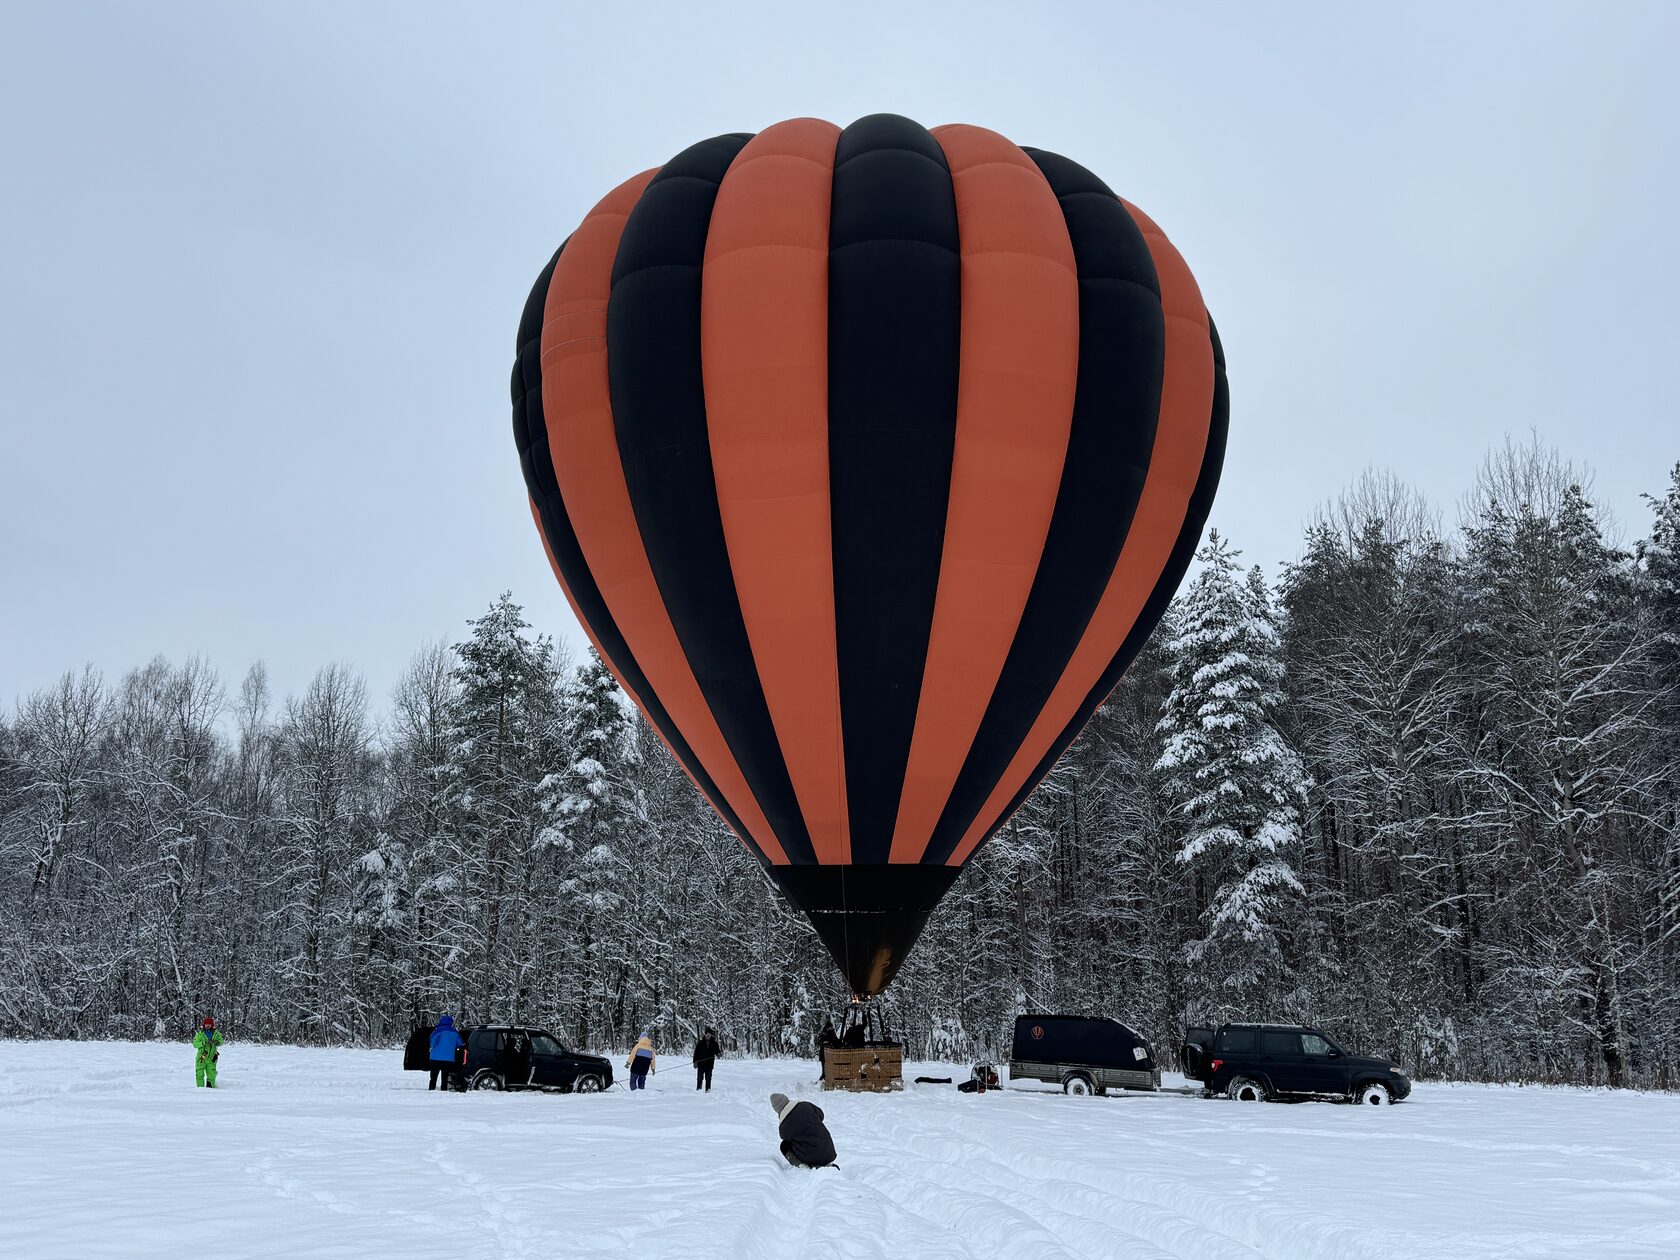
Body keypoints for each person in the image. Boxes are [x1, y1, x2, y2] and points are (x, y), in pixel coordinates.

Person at [770, 1092, 836, 1169]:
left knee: (784, 1145)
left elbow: (784, 1137)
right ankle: (823, 1161)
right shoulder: (806, 1105)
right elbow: (821, 1115)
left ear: (776, 1110)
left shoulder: (784, 1126)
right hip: (829, 1151)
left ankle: (800, 1164)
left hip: (811, 1157)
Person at [428, 1014, 465, 1092]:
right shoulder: (455, 1032)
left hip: (435, 1058)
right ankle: (443, 1090)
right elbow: (460, 1043)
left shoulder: (437, 1031)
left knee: (433, 1077)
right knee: (444, 1078)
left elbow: (432, 1041)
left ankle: (431, 1089)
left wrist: (432, 1047)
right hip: (448, 1059)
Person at [192, 1017, 223, 1088]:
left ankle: (210, 1090)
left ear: (212, 1025)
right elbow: (195, 1044)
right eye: (206, 1024)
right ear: (204, 1025)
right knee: (199, 1074)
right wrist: (203, 1043)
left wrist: (217, 1042)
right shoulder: (200, 1034)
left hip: (212, 1058)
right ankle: (200, 1090)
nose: (207, 1026)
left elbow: (221, 1041)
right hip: (201, 1058)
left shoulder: (216, 1034)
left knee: (211, 1075)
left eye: (209, 1024)